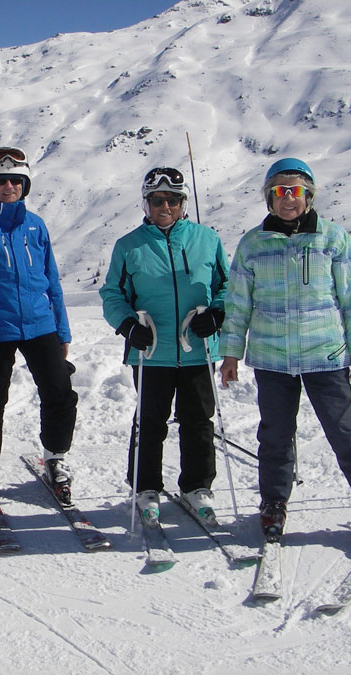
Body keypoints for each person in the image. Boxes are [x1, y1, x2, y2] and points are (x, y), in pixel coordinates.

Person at [219, 157, 351, 552]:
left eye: (295, 191)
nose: (288, 199)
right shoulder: (252, 244)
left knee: (345, 432)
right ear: (269, 197)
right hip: (271, 357)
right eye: (279, 192)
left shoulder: (333, 239)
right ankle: (274, 503)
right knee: (275, 436)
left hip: (325, 354)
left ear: (308, 196)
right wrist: (230, 353)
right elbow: (238, 304)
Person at [100, 167, 230, 522]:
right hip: (151, 350)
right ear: (146, 204)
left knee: (198, 419)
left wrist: (217, 314)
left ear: (183, 203)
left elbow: (226, 286)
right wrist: (128, 324)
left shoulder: (207, 239)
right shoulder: (129, 246)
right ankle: (145, 487)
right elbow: (112, 293)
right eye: (157, 200)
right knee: (150, 421)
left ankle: (197, 486)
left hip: (197, 348)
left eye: (172, 199)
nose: (165, 207)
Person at [0, 146, 77, 506]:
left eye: (16, 180)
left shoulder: (35, 224)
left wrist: (62, 330)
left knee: (60, 391)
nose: (9, 186)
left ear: (25, 185)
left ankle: (55, 456)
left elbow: (51, 280)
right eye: (1, 180)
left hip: (41, 324)